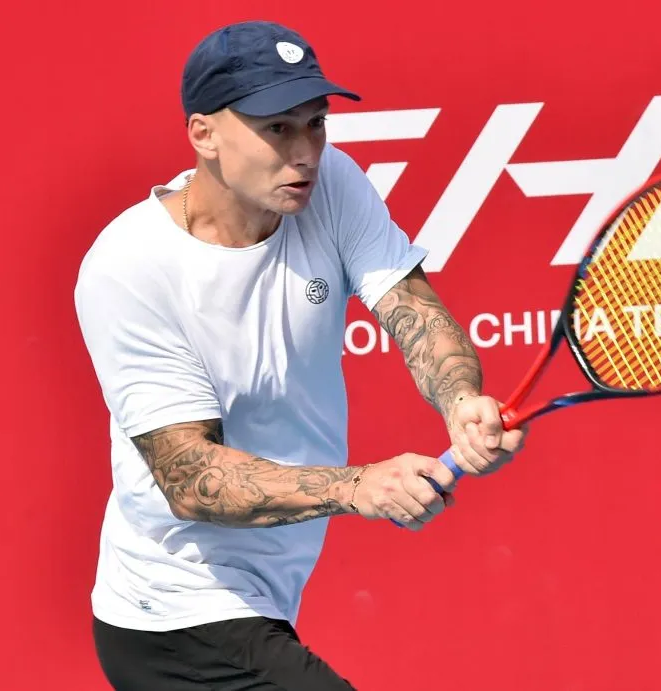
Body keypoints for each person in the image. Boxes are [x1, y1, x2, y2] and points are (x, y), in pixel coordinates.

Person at [74, 19, 526, 691]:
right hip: (173, 617)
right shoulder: (128, 267)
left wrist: (461, 400)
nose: (305, 151)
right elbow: (192, 477)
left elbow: (412, 309)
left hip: (264, 596)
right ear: (203, 134)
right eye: (276, 128)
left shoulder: (330, 185)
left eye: (314, 123)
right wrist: (357, 484)